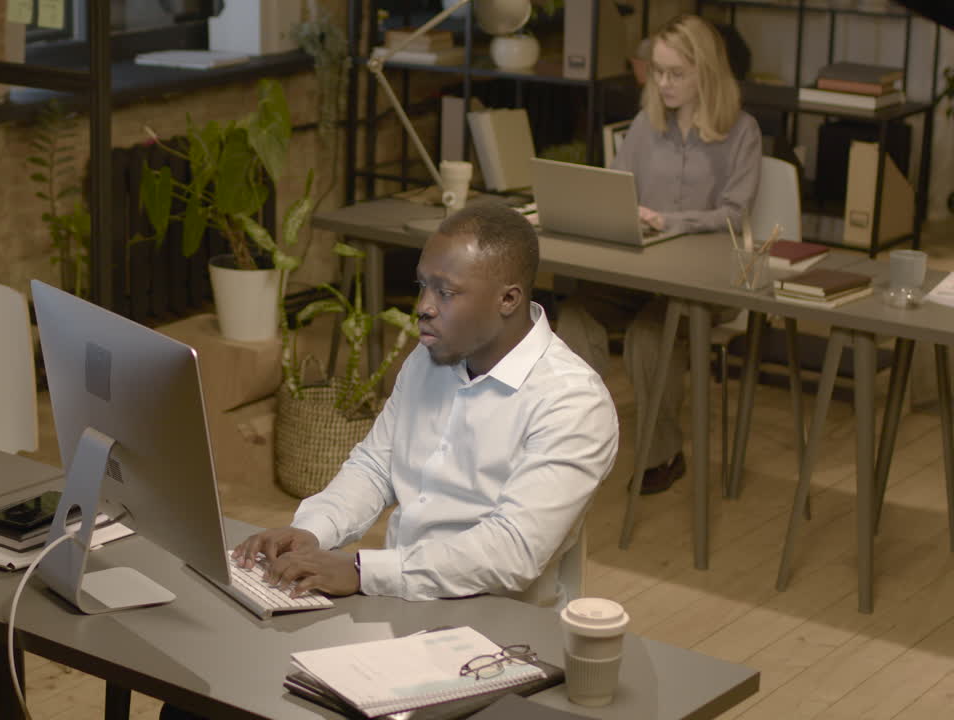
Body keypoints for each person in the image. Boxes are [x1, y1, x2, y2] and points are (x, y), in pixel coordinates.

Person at [232, 203, 619, 604]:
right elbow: (375, 466)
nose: (424, 307)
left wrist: (362, 571)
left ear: (508, 299)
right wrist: (313, 531)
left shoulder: (574, 403)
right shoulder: (430, 359)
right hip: (401, 593)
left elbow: (512, 552)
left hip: (497, 627)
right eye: (423, 286)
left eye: (446, 292)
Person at [556, 13, 761, 495]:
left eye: (675, 73)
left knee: (653, 335)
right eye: (658, 71)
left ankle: (662, 456)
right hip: (641, 271)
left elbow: (734, 215)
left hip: (706, 281)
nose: (662, 83)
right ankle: (571, 444)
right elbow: (615, 193)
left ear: (704, 72)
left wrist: (672, 221)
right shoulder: (644, 129)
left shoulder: (742, 131)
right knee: (572, 317)